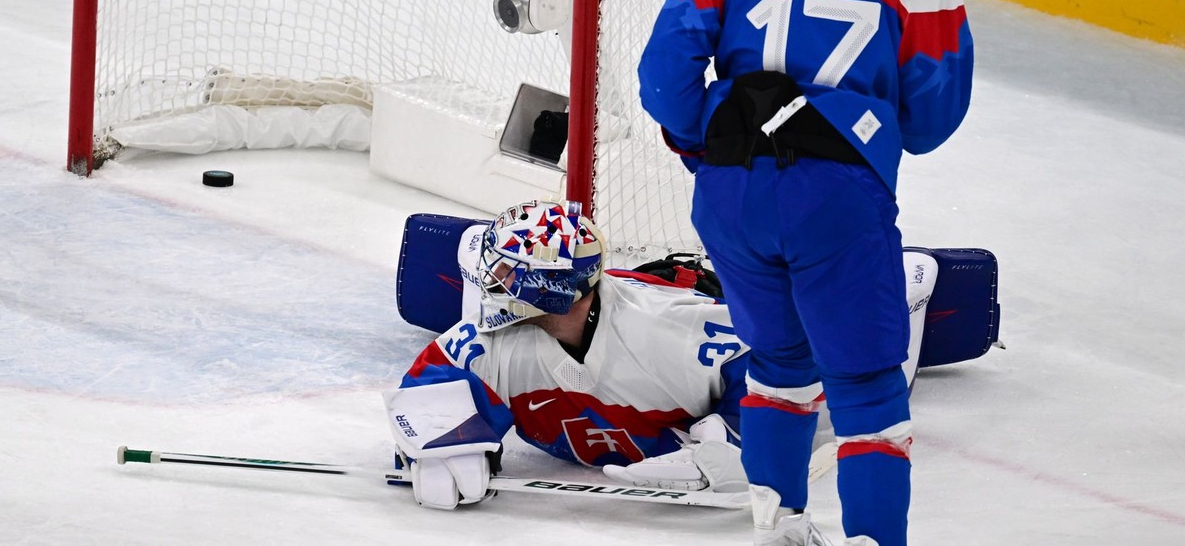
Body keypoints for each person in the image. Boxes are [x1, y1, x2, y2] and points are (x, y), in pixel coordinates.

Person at [636, 0, 974, 546]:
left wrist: (717, 143)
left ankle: (777, 525)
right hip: (837, 194)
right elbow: (933, 118)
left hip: (730, 193)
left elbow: (664, 81)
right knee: (866, 385)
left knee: (780, 364)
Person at [382, 199, 942, 525]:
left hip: (681, 306)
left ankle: (903, 289)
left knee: (859, 361)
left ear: (550, 289)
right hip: (597, 324)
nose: (490, 288)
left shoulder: (669, 332)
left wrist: (739, 436)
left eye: (506, 275)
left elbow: (786, 358)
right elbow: (436, 371)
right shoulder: (494, 339)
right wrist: (433, 431)